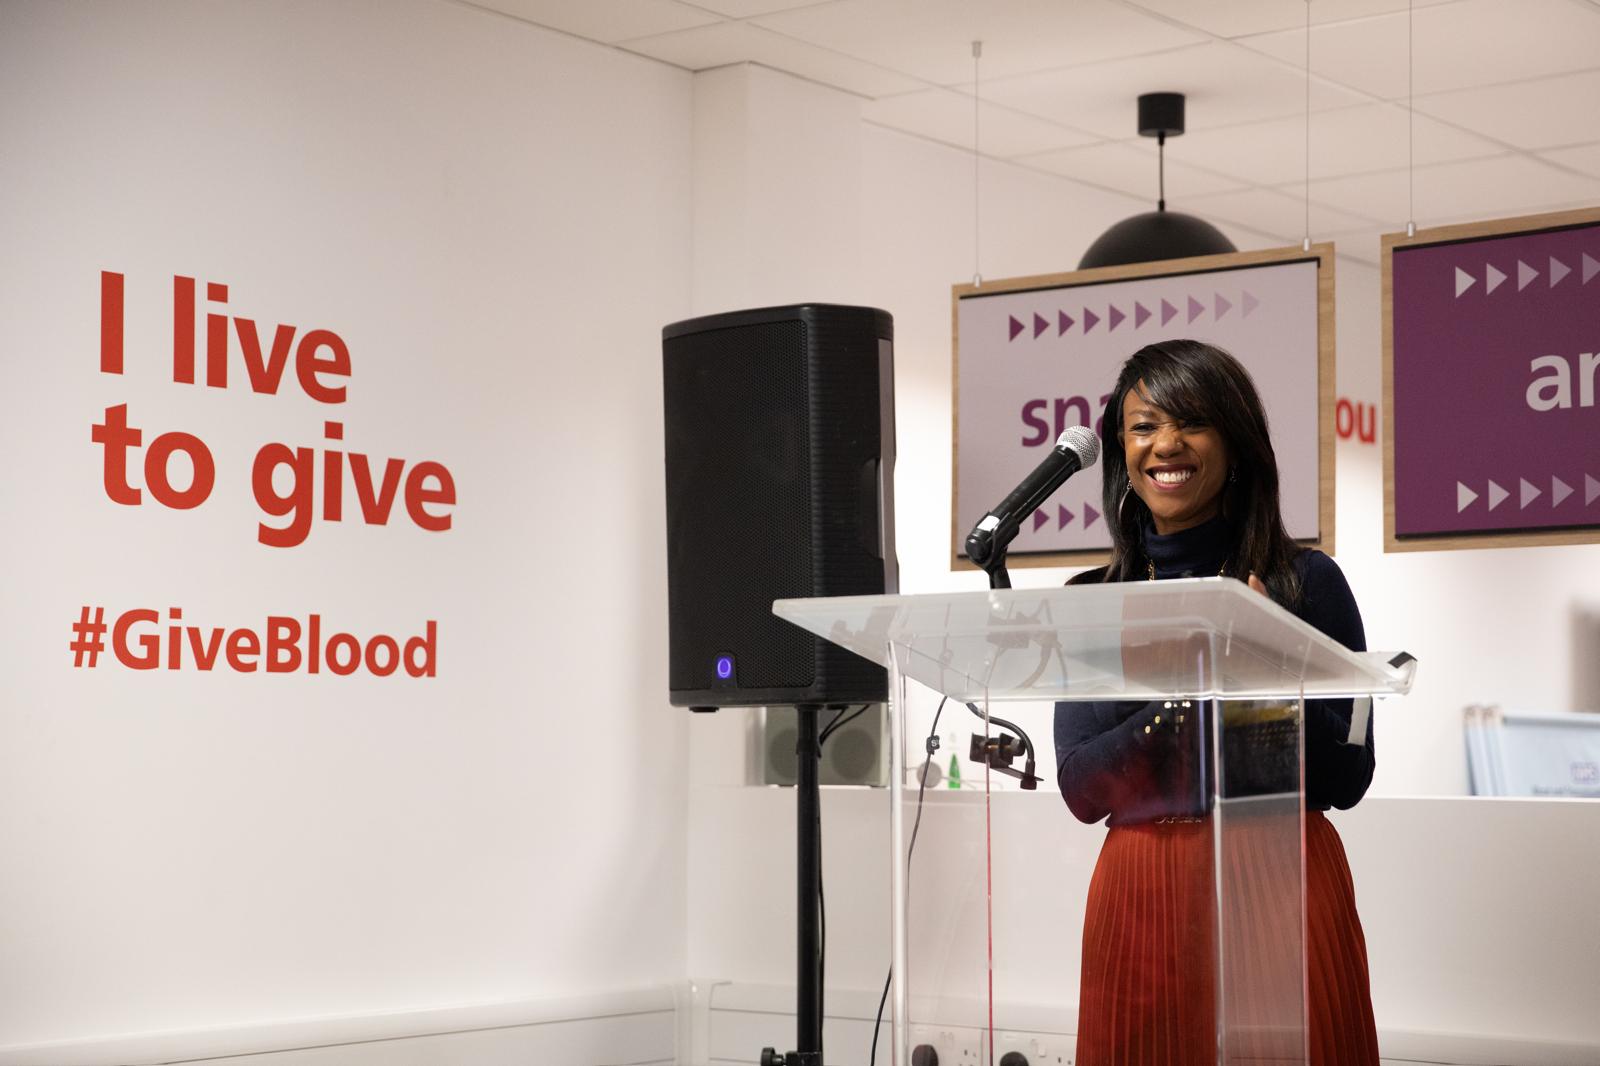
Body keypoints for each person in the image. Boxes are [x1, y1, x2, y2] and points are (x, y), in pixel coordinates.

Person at [1055, 339, 1379, 1065]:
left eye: (1191, 423)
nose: (1164, 445)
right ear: (1120, 450)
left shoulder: (1305, 584)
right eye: (1142, 427)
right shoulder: (1094, 603)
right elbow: (1082, 785)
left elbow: (1349, 778)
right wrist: (1199, 693)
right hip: (1141, 896)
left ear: (1235, 442)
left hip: (1280, 880)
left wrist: (1261, 665)